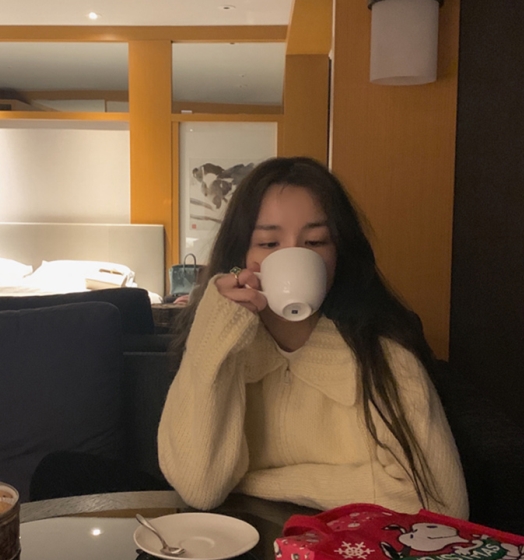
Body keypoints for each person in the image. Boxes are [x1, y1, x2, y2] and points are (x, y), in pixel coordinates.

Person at [158, 156, 468, 513]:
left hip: (352, 549)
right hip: (244, 547)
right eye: (269, 244)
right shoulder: (223, 352)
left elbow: (441, 505)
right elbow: (199, 488)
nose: (293, 256)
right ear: (240, 257)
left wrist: (253, 482)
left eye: (316, 241)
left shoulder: (383, 358)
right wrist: (212, 337)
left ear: (338, 255)